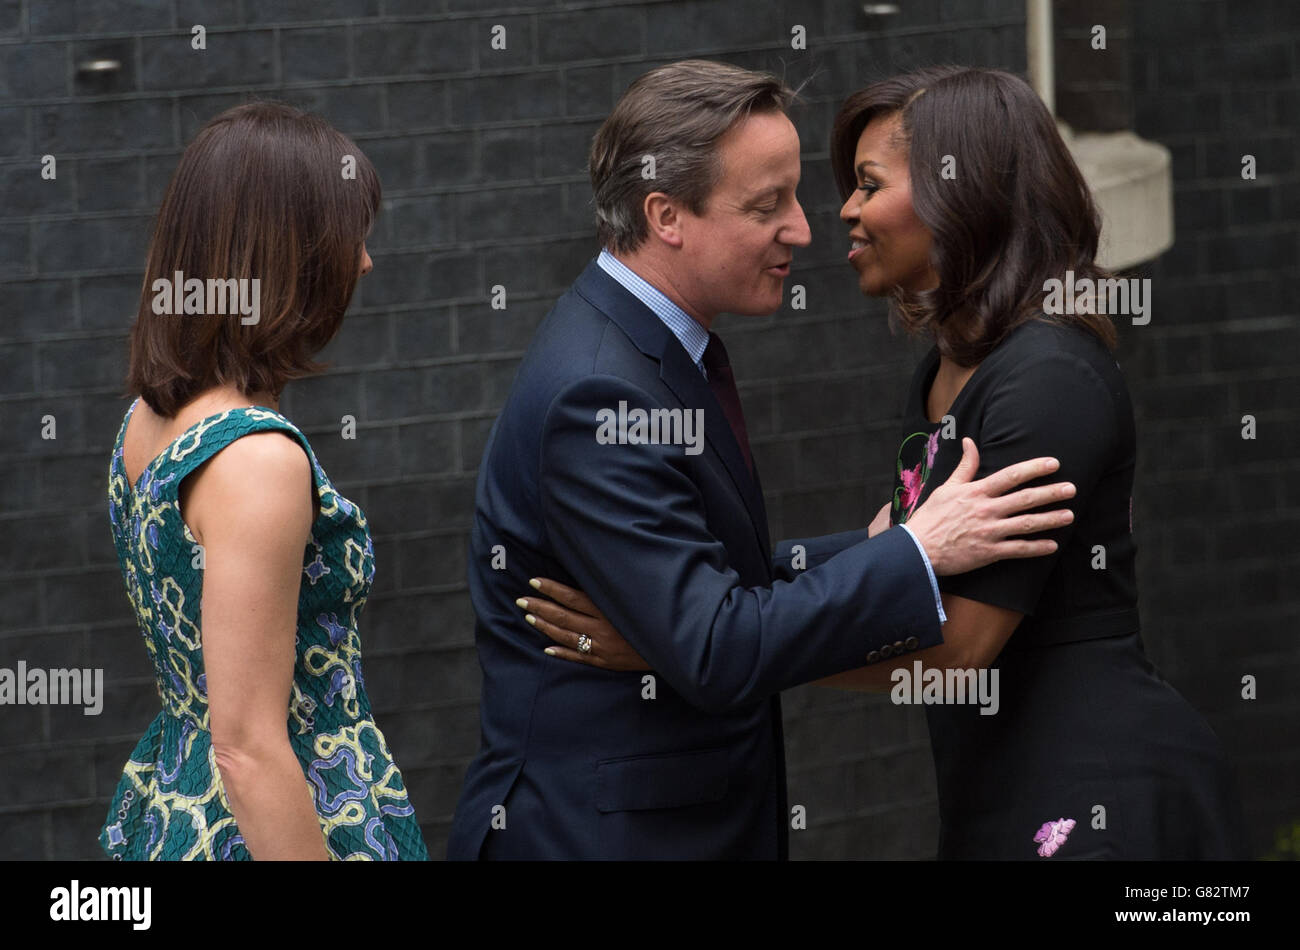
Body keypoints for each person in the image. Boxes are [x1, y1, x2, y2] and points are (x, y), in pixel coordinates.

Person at [526, 66, 1247, 860]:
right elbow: (893, 569)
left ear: (959, 192)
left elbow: (960, 644)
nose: (840, 214)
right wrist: (701, 624)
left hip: (1095, 790)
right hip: (991, 779)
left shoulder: (1047, 377)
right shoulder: (944, 372)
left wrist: (704, 649)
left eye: (867, 184)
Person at [446, 60, 1077, 861]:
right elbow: (716, 647)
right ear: (666, 215)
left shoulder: (652, 351)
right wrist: (916, 551)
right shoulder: (601, 395)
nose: (805, 229)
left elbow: (717, 586)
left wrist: (883, 549)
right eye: (766, 204)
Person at [100, 102, 428, 861]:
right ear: (288, 254)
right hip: (281, 823)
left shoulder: (147, 423)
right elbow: (247, 747)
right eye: (353, 237)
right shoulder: (258, 458)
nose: (366, 262)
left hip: (174, 800)